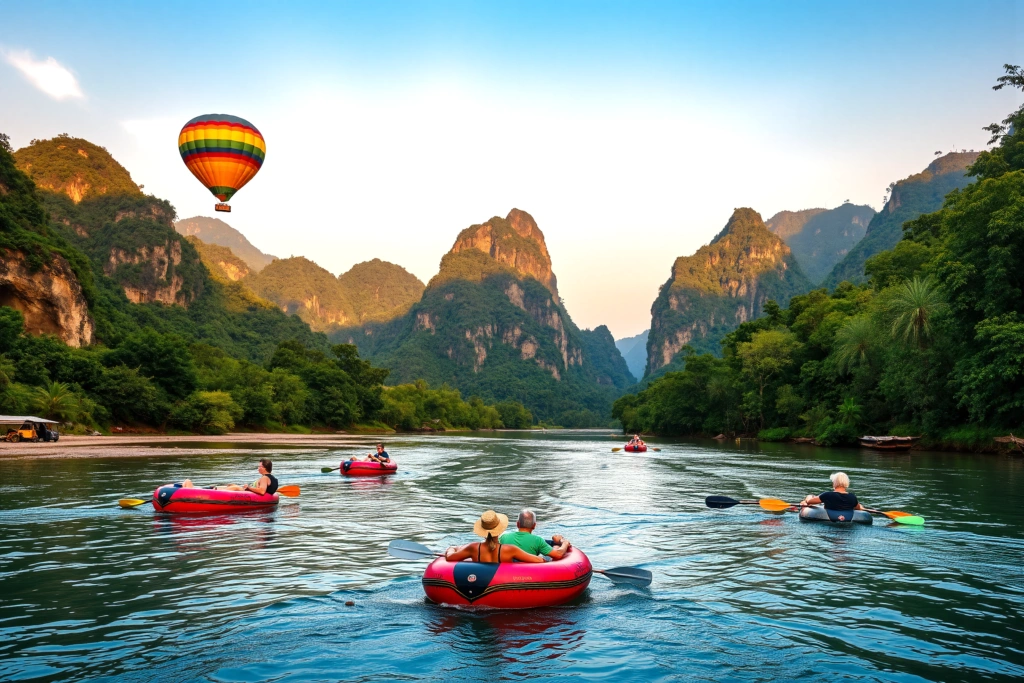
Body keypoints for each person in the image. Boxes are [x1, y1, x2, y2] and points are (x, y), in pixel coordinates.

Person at [444, 510, 546, 564]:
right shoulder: (510, 549)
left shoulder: (474, 548)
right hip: (503, 583)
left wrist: (451, 548)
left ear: (482, 530)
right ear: (500, 530)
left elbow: (449, 557)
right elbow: (539, 560)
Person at [500, 509, 571, 560]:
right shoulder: (538, 540)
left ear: (517, 524)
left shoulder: (504, 538)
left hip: (508, 574)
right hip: (531, 575)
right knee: (553, 550)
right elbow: (558, 555)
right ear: (534, 525)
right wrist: (564, 542)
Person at [182, 458, 279, 495]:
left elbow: (262, 491)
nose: (258, 468)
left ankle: (210, 492)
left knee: (236, 487)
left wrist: (248, 488)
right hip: (250, 492)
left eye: (260, 466)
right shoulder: (272, 478)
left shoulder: (264, 478)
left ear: (265, 468)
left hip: (251, 494)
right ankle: (207, 489)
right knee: (231, 486)